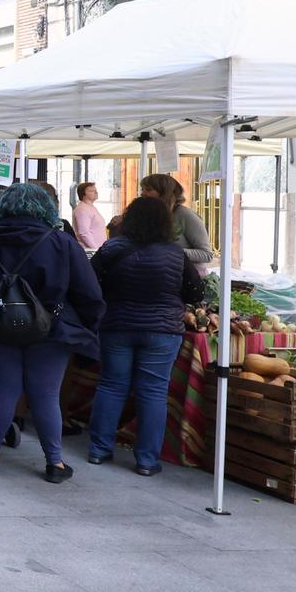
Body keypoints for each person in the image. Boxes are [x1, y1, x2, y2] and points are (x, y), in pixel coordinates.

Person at [0, 181, 104, 483]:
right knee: (46, 394)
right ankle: (55, 463)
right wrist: (89, 324)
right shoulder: (61, 242)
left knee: (2, 390)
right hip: (51, 328)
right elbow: (88, 291)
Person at [85, 195, 205, 476]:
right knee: (153, 392)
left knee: (112, 385)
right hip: (163, 331)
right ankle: (147, 461)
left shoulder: (112, 248)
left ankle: (99, 450)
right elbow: (196, 292)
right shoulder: (176, 253)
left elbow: (91, 282)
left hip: (117, 325)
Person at [140, 173, 214, 269]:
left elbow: (207, 255)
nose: (142, 193)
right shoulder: (149, 215)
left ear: (165, 193)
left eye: (148, 190)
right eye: (142, 189)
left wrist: (172, 251)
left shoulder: (186, 215)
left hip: (186, 278)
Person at [71, 181, 106, 251]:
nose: (96, 192)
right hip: (90, 252)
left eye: (96, 190)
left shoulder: (91, 208)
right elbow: (84, 233)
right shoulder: (82, 209)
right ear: (83, 194)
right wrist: (95, 249)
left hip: (96, 250)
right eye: (92, 191)